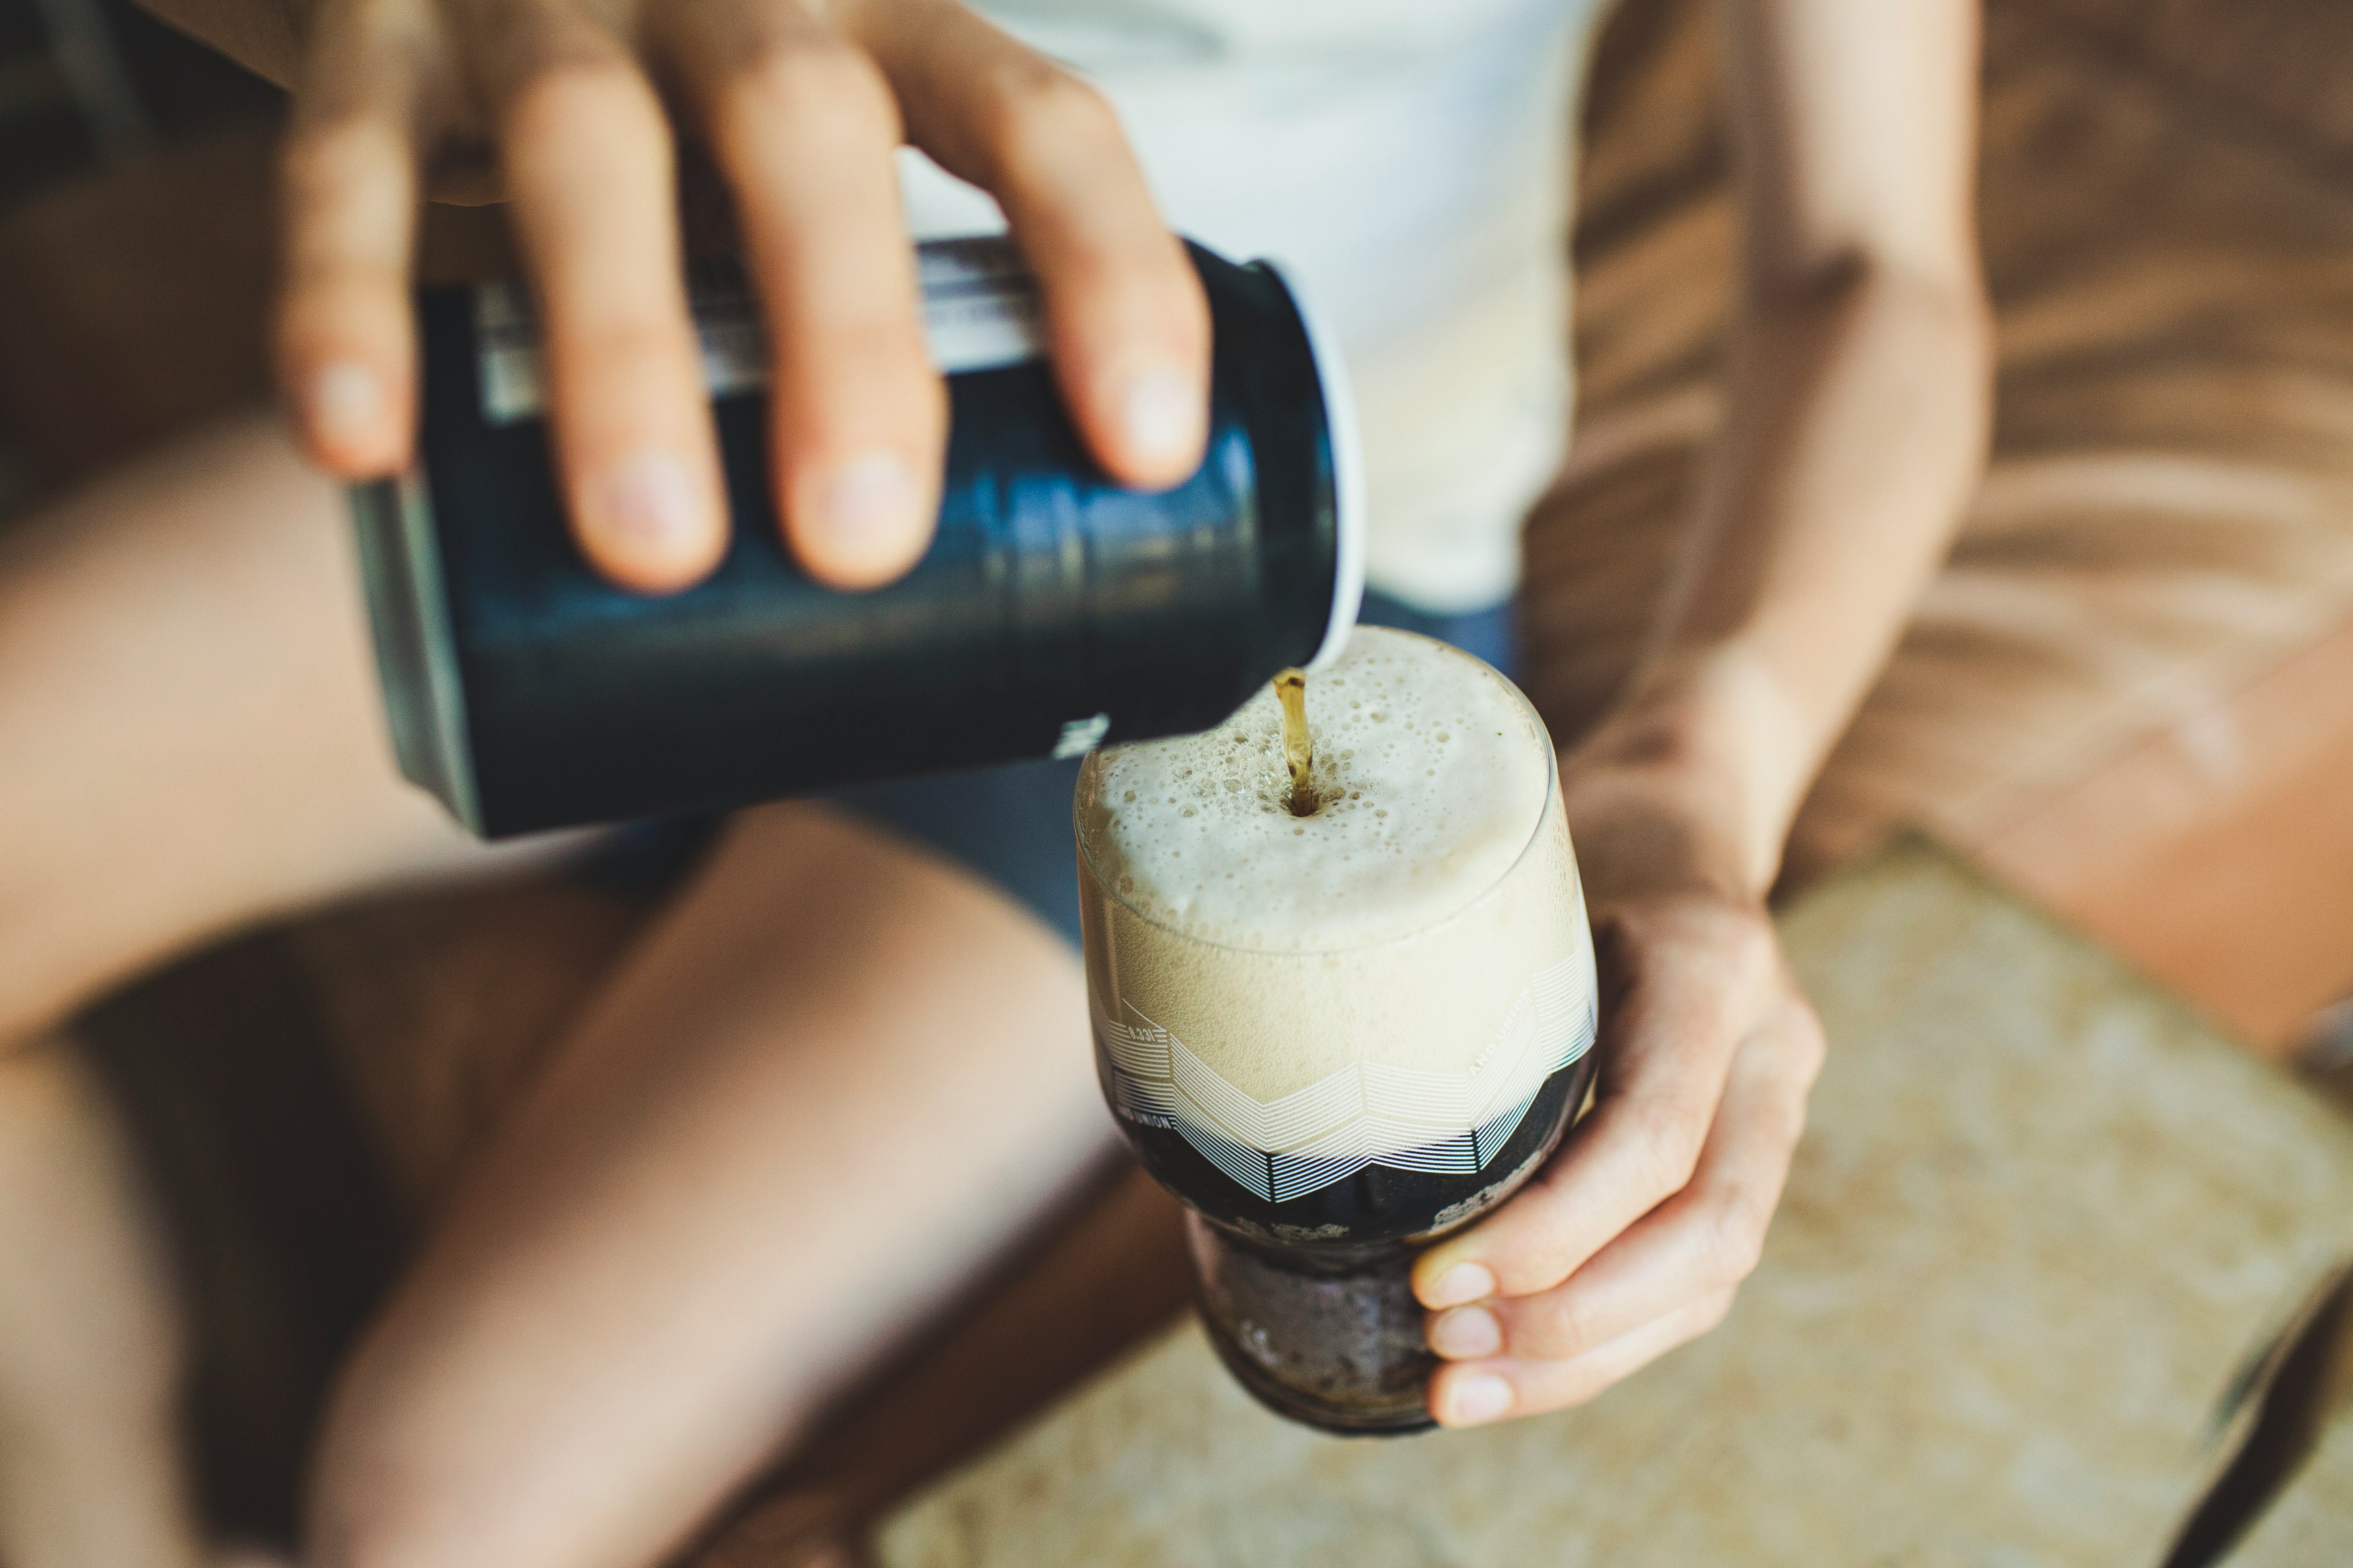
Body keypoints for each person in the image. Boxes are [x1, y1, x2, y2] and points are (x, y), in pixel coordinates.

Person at [0, 1, 1990, 1565]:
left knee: (430, 1525)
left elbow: (1870, 263)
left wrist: (1693, 779)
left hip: (1262, 583)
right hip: (665, 442)